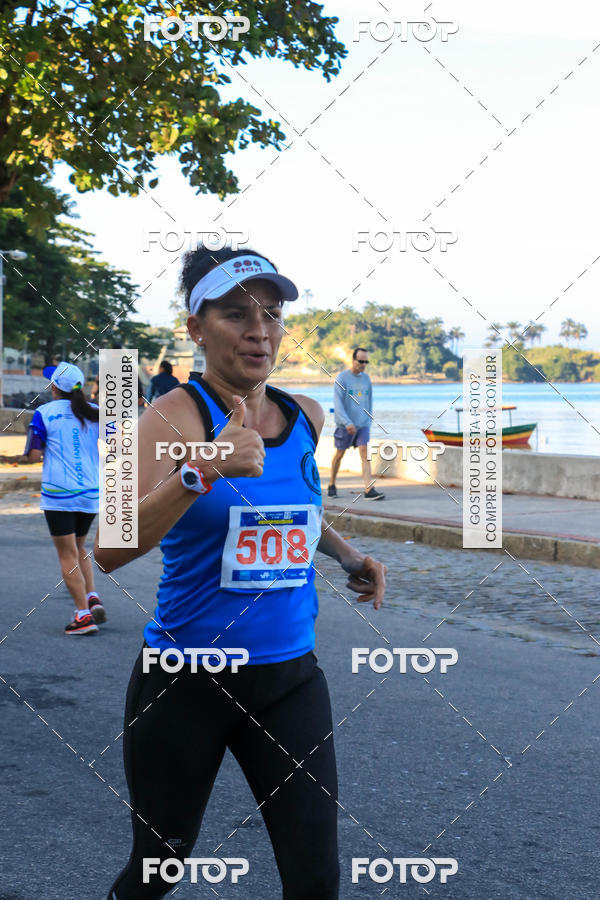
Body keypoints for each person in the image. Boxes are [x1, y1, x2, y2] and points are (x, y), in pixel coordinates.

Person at [96, 246, 387, 899]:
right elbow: (109, 548)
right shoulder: (169, 418)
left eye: (272, 314)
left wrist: (347, 556)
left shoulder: (306, 416)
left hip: (290, 678)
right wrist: (201, 470)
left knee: (315, 878)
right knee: (159, 866)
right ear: (196, 328)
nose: (260, 331)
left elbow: (295, 511)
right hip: (185, 680)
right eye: (236, 314)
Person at [25, 362, 105, 634]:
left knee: (67, 554)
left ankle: (83, 616)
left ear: (55, 387)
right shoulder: (95, 412)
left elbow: (34, 455)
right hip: (90, 492)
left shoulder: (43, 413)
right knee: (79, 548)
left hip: (59, 493)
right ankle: (92, 597)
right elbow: (120, 442)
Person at [327, 347, 385, 500]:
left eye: (366, 362)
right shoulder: (342, 378)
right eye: (361, 361)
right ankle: (332, 484)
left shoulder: (366, 379)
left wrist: (368, 421)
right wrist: (347, 422)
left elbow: (369, 402)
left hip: (363, 425)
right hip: (345, 426)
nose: (363, 364)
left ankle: (369, 489)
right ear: (353, 360)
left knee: (365, 454)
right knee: (339, 455)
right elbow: (338, 404)